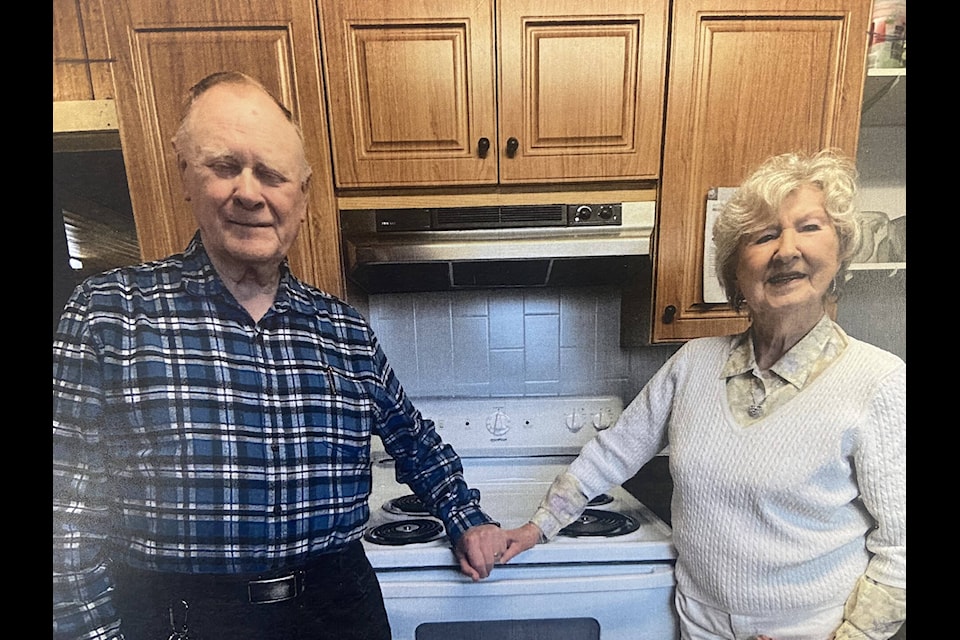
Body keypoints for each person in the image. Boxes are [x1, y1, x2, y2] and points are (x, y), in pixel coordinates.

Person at [52, 71, 508, 640]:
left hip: (337, 608)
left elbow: (412, 439)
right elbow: (64, 513)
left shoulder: (344, 330)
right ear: (186, 178)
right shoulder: (109, 313)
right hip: (183, 618)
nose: (249, 193)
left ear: (301, 195)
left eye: (271, 174)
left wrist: (467, 518)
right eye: (224, 166)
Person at [500, 149, 906, 640]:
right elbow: (614, 451)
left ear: (839, 251)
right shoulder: (693, 363)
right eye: (764, 235)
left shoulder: (879, 380)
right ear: (736, 273)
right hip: (696, 624)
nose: (786, 249)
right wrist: (539, 524)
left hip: (814, 630)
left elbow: (900, 551)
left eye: (809, 227)